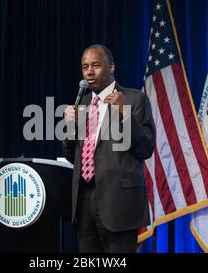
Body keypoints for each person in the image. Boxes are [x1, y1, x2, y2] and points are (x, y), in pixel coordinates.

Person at [62, 44, 155, 253]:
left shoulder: (134, 99)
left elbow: (146, 149)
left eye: (95, 65)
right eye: (85, 67)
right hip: (84, 201)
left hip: (119, 202)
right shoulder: (83, 104)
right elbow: (71, 156)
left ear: (111, 67)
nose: (89, 72)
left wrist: (125, 114)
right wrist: (69, 128)